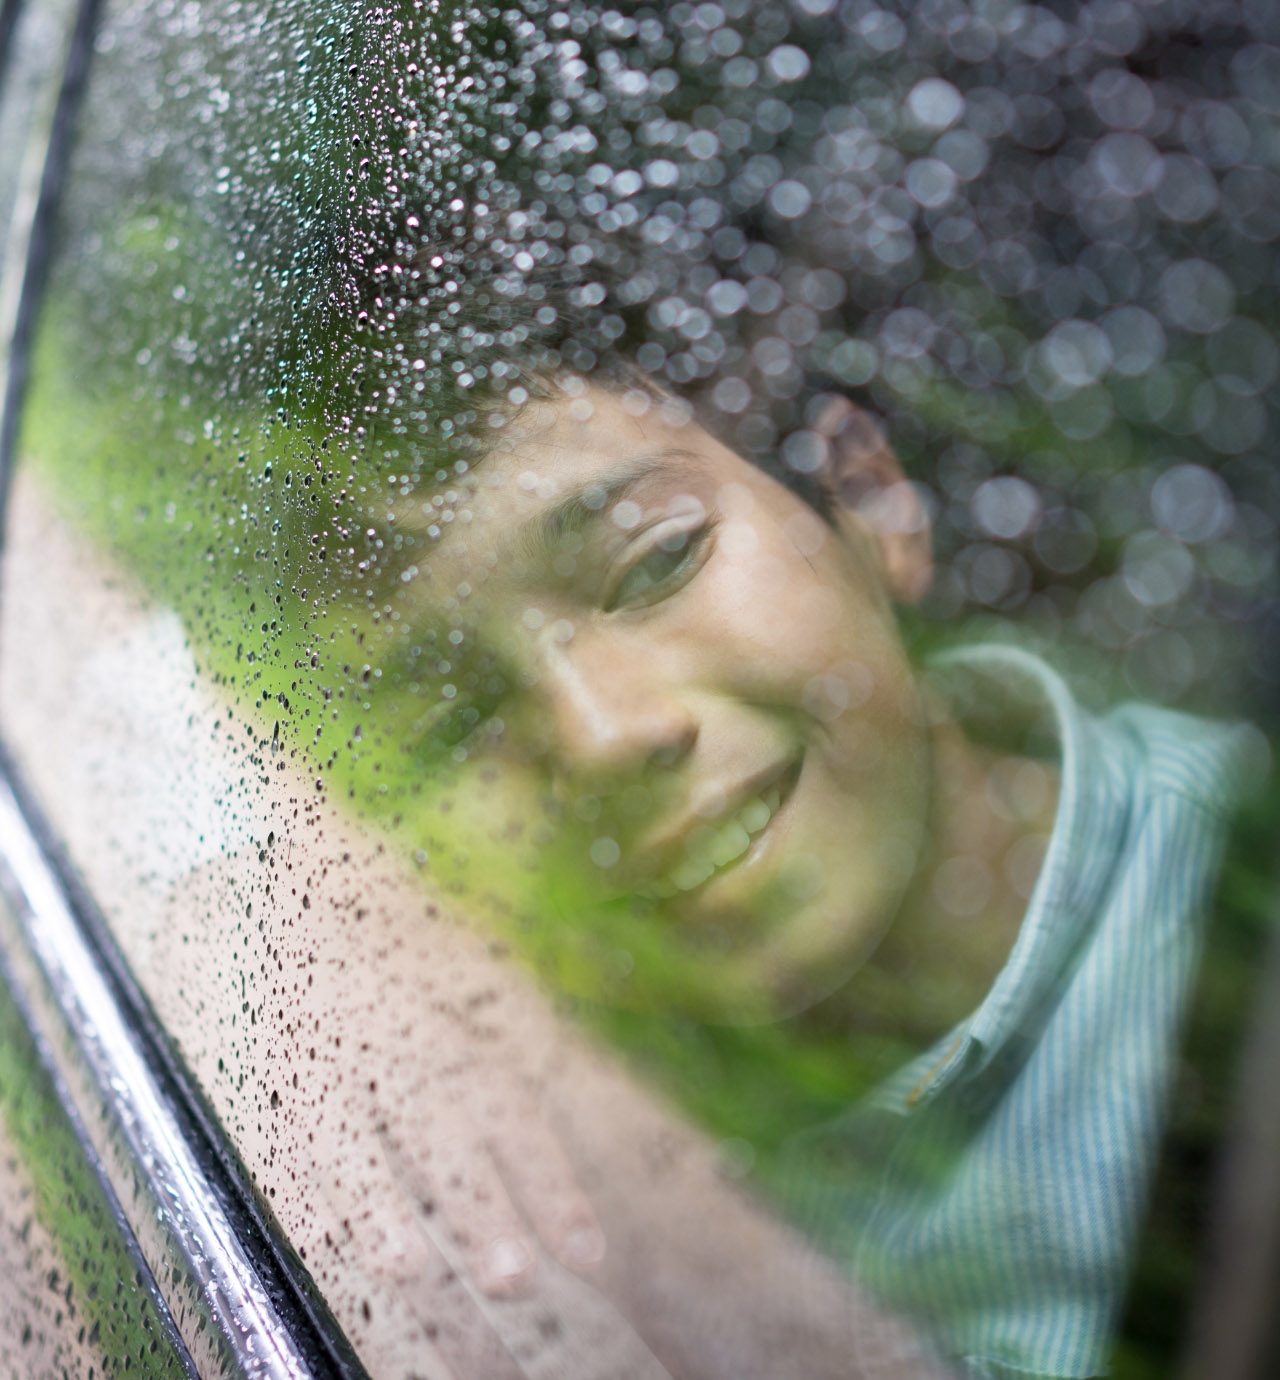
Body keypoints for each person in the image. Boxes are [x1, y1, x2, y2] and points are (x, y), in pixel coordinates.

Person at [351, 349, 1250, 1380]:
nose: (598, 732)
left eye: (652, 561)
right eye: (456, 723)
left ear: (870, 502)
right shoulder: (524, 1136)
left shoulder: (1239, 898)